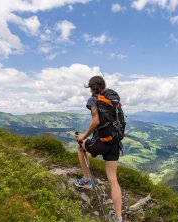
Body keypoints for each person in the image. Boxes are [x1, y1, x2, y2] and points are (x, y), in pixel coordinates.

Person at [74, 76, 123, 222]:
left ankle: (87, 179)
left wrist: (84, 137)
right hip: (114, 142)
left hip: (101, 142)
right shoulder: (113, 99)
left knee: (80, 146)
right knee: (113, 180)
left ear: (91, 87)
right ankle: (118, 218)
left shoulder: (93, 100)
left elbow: (96, 121)